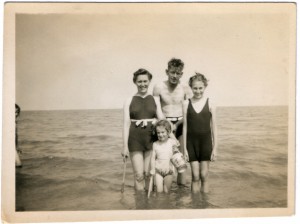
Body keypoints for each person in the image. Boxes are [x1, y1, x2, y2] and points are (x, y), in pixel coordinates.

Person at [122, 68, 165, 191]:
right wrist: (124, 146)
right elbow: (125, 124)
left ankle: (148, 205)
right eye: (139, 81)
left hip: (151, 139)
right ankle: (139, 204)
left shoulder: (155, 99)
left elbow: (162, 120)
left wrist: (171, 137)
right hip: (135, 139)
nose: (143, 84)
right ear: (135, 82)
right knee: (139, 176)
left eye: (145, 81)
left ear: (149, 81)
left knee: (148, 174)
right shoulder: (128, 100)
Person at [153, 58, 192, 185]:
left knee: (181, 161)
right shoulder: (159, 87)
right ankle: (162, 189)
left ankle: (181, 193)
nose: (174, 76)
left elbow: (189, 110)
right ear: (167, 71)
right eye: (172, 72)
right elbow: (158, 109)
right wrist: (168, 126)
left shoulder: (185, 88)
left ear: (181, 74)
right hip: (164, 125)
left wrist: (177, 125)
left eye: (178, 73)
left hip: (181, 124)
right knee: (161, 159)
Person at [182, 73, 218, 193]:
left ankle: (204, 204)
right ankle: (195, 205)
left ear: (205, 87)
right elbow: (185, 127)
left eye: (200, 88)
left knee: (204, 175)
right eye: (195, 88)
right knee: (195, 176)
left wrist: (215, 148)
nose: (198, 91)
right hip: (191, 143)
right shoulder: (186, 103)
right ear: (191, 88)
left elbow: (214, 127)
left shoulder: (210, 102)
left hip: (206, 143)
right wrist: (185, 149)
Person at [149, 120, 180, 193]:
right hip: (158, 171)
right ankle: (159, 204)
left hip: (168, 171)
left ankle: (166, 204)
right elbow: (153, 158)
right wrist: (152, 169)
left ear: (168, 132)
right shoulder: (155, 144)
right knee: (159, 191)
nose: (160, 134)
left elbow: (177, 155)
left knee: (167, 191)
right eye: (158, 133)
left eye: (163, 132)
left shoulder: (172, 142)